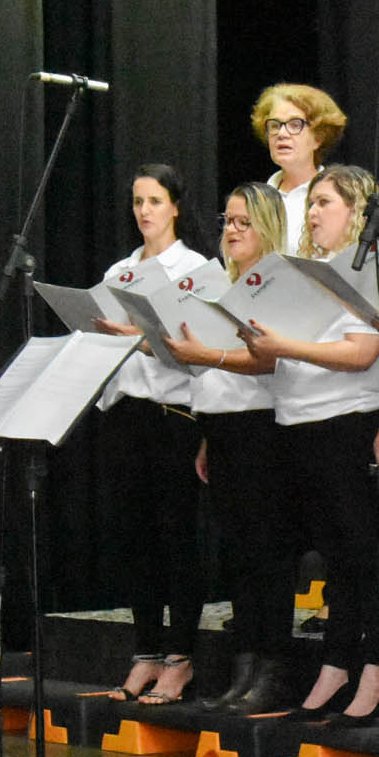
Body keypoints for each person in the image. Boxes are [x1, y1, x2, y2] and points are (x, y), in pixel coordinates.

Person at [241, 164, 379, 722]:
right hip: (297, 422)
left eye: (325, 202)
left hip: (344, 421)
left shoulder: (364, 270)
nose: (314, 212)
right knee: (332, 556)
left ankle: (375, 664)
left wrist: (286, 346)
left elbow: (362, 353)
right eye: (311, 204)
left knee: (362, 553)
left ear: (356, 211)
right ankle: (336, 662)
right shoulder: (306, 271)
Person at [166, 182, 299, 714]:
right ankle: (244, 667)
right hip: (221, 428)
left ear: (267, 226)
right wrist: (205, 435)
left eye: (245, 222)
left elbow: (269, 360)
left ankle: (273, 669)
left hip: (263, 428)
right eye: (228, 220)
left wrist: (208, 356)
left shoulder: (278, 282)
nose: (233, 230)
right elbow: (213, 369)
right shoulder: (219, 282)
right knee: (238, 556)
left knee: (269, 554)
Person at [94, 164, 210, 704]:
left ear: (176, 207)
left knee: (175, 538)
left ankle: (180, 657)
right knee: (133, 537)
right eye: (138, 201)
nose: (144, 211)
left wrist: (137, 337)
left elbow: (198, 354)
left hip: (173, 415)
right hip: (127, 413)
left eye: (155, 201)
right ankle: (145, 652)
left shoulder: (195, 269)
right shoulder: (119, 270)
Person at [251, 83, 348, 244]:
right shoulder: (255, 200)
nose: (282, 133)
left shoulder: (338, 197)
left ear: (318, 138)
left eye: (295, 125)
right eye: (275, 125)